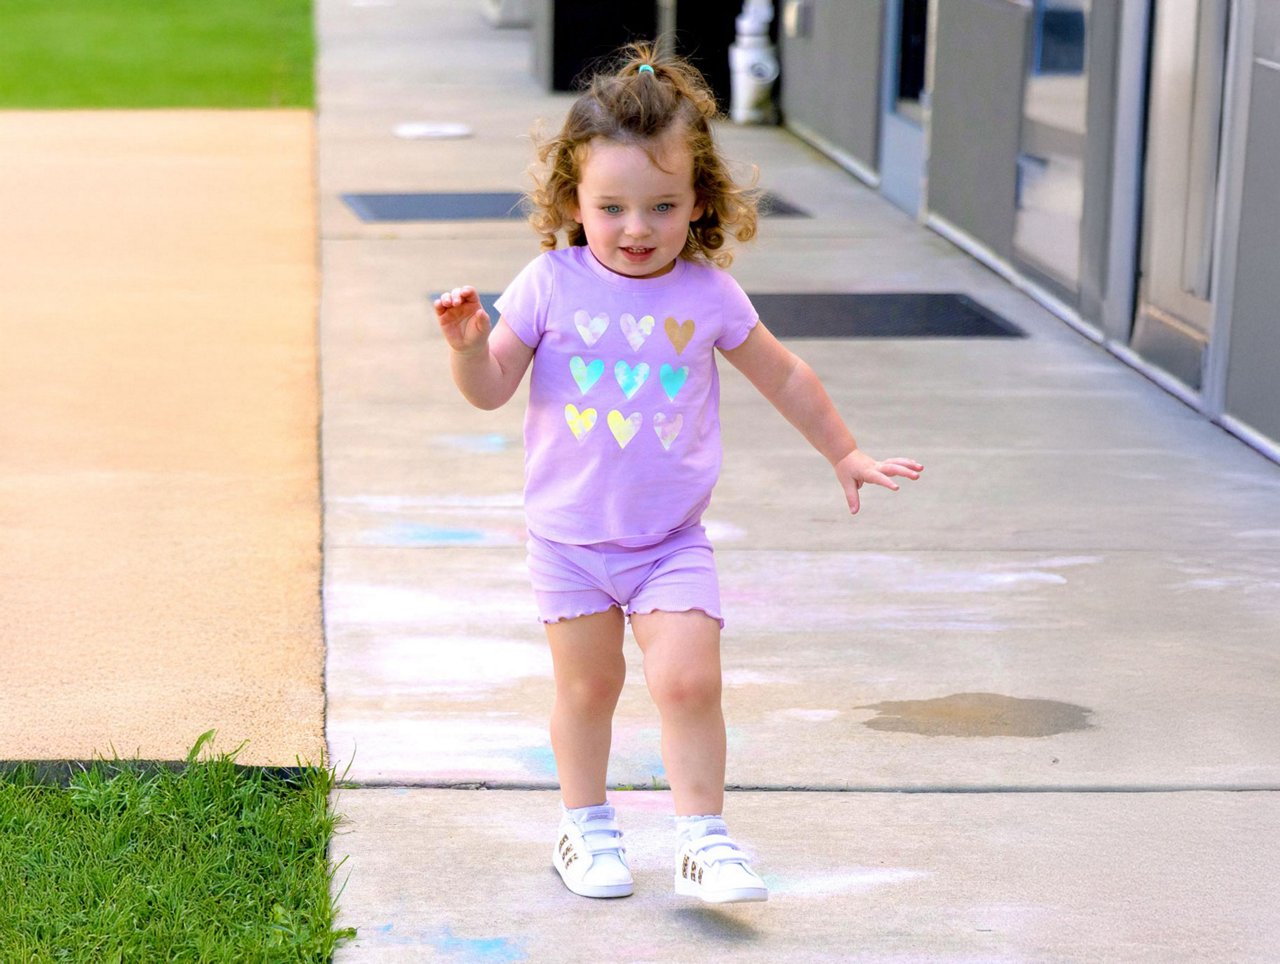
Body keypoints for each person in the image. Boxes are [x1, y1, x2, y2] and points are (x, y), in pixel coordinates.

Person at [434, 44, 922, 905]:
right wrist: (470, 351)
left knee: (690, 682)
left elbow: (784, 376)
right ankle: (584, 828)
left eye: (662, 206)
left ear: (699, 201)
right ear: (573, 202)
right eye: (612, 207)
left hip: (669, 542)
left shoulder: (707, 294)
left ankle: (703, 841)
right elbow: (491, 389)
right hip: (570, 542)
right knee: (589, 688)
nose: (637, 228)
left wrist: (843, 451)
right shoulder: (548, 284)